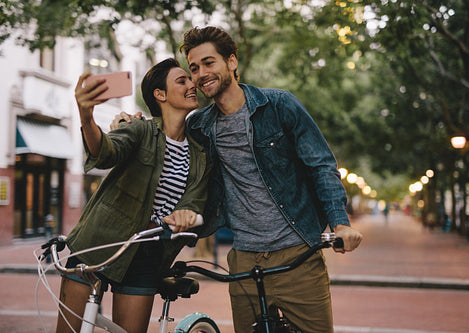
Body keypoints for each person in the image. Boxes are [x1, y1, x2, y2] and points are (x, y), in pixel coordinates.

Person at [116, 26, 363, 333]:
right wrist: (134, 124)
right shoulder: (200, 127)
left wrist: (339, 223)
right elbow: (166, 134)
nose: (201, 73)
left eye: (209, 63)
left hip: (299, 255)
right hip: (245, 260)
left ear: (231, 62)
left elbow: (322, 165)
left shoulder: (279, 106)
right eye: (194, 68)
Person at [57, 58, 211, 333]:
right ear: (160, 95)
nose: (192, 84)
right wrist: (86, 115)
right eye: (182, 80)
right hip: (100, 242)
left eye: (190, 80)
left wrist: (186, 215)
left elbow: (193, 201)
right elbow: (105, 152)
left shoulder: (199, 155)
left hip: (148, 252)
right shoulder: (140, 129)